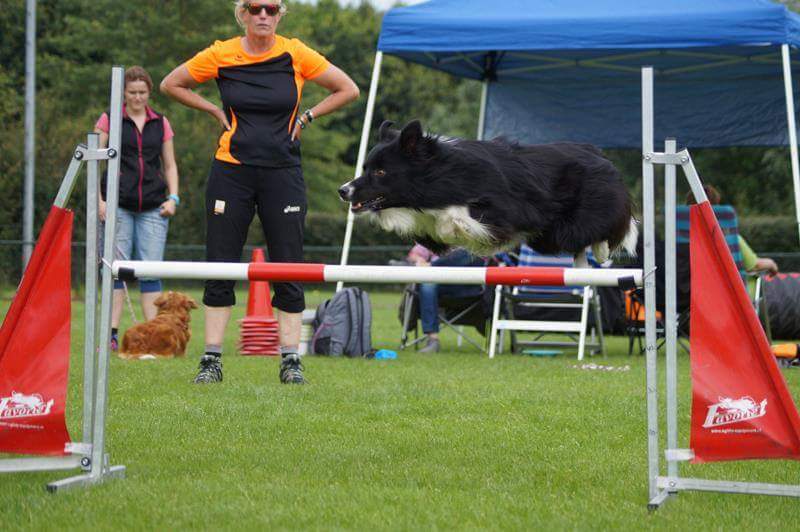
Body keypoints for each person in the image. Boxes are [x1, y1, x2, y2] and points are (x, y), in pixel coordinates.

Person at [160, 1, 359, 384]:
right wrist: (212, 110)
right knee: (220, 264)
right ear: (243, 14)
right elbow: (171, 83)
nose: (263, 15)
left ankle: (291, 361)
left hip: (283, 172)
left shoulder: (295, 52)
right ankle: (211, 359)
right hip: (231, 171)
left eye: (270, 8)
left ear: (280, 14)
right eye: (255, 8)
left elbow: (348, 89)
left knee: (288, 264)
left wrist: (308, 116)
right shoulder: (221, 53)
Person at [95, 65, 180, 352]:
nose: (137, 97)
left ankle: (154, 338)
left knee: (150, 271)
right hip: (118, 205)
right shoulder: (109, 119)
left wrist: (173, 198)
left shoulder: (161, 123)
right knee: (116, 271)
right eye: (132, 92)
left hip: (154, 206)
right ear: (123, 93)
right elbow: (94, 161)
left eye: (142, 92)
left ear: (149, 93)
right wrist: (99, 200)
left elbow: (170, 165)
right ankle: (110, 335)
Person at [686, 185, 779, 276]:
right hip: (722, 286)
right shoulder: (730, 239)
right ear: (716, 210)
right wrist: (772, 264)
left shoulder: (681, 238)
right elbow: (755, 266)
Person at [409, 245, 485, 353]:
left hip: (469, 287)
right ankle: (433, 340)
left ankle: (433, 267)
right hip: (439, 285)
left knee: (470, 253)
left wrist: (431, 265)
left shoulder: (474, 239)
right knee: (427, 283)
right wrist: (418, 259)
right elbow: (414, 254)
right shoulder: (434, 238)